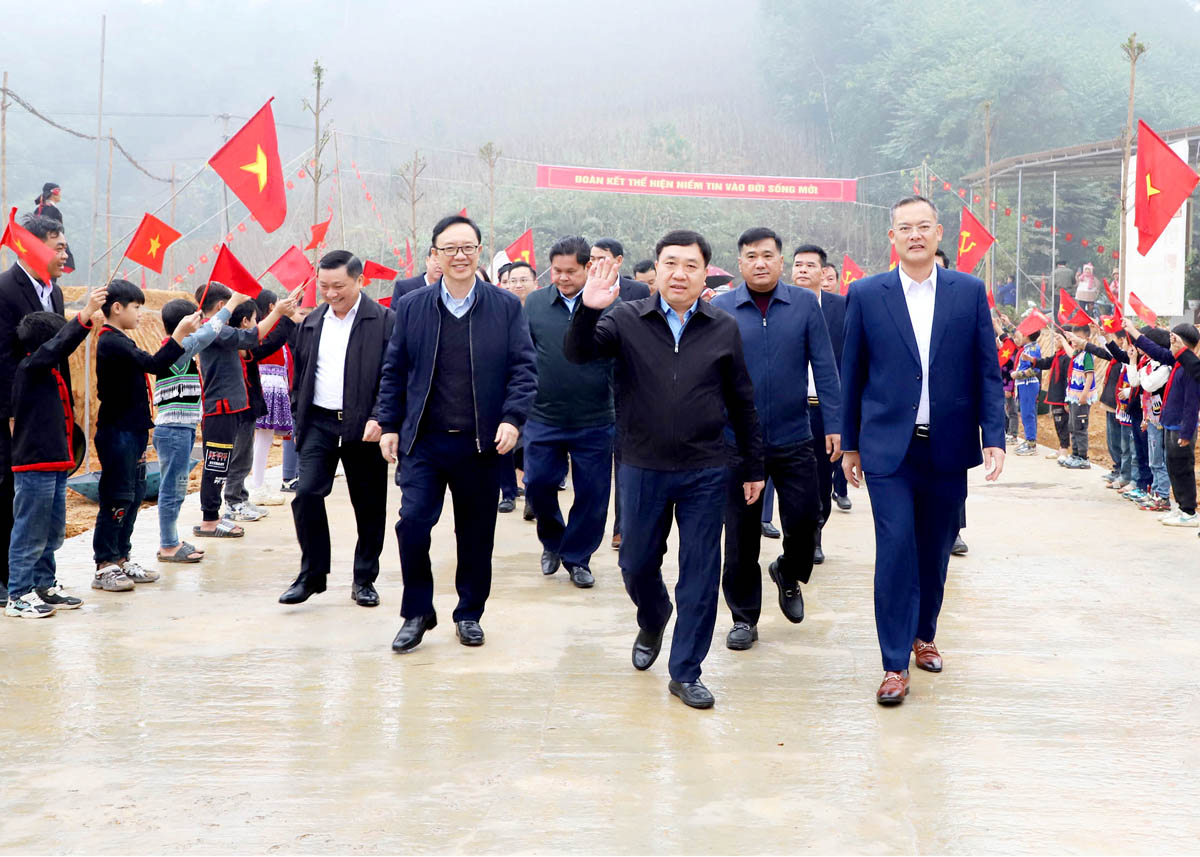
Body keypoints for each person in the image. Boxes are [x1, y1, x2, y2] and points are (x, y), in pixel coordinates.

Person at [566, 230, 764, 710]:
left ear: (704, 273)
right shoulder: (626, 319)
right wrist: (590, 306)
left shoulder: (722, 327)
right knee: (635, 563)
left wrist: (754, 464)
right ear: (656, 270)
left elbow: (741, 399)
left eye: (691, 265)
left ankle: (686, 671)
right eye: (671, 263)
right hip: (641, 465)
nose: (680, 273)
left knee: (699, 571)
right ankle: (653, 616)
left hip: (706, 468)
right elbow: (579, 353)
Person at [840, 196, 1005, 706]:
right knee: (895, 551)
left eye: (923, 227)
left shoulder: (968, 292)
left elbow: (987, 371)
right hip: (890, 449)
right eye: (904, 227)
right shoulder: (866, 294)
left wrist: (994, 436)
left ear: (938, 234)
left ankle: (923, 634)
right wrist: (849, 444)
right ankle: (893, 665)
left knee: (935, 549)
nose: (914, 235)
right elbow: (853, 375)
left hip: (948, 447)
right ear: (892, 237)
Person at [381, 215, 537, 652]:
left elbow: (523, 369)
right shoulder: (412, 306)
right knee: (412, 525)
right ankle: (417, 611)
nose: (460, 255)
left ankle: (469, 612)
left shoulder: (505, 307)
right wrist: (390, 423)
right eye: (450, 248)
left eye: (468, 247)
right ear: (435, 255)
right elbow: (394, 371)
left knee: (475, 534)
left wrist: (512, 418)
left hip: (481, 443)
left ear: (479, 252)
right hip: (424, 441)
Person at [712, 228, 839, 652]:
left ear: (781, 262)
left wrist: (836, 423)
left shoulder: (803, 304)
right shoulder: (723, 307)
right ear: (741, 263)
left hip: (794, 435)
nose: (760, 263)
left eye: (768, 255)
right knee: (742, 533)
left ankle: (788, 571)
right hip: (737, 442)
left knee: (806, 519)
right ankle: (744, 617)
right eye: (751, 256)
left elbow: (824, 365)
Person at [280, 251, 395, 607]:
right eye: (324, 285)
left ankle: (364, 579)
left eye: (339, 286)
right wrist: (301, 416)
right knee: (307, 494)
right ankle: (312, 575)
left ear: (360, 281)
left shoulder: (384, 321)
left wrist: (382, 416)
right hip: (320, 422)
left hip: (365, 426)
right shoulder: (312, 322)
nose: (331, 293)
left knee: (369, 505)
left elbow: (392, 375)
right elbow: (301, 374)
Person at [521, 236, 617, 589]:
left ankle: (578, 557)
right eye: (556, 271)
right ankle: (553, 542)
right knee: (538, 483)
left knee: (593, 494)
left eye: (570, 271)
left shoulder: (607, 304)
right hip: (543, 415)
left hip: (594, 418)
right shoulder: (534, 303)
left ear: (588, 268)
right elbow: (522, 354)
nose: (562, 278)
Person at [5, 287, 106, 617]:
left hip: (55, 464)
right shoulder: (30, 368)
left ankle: (44, 585)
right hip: (35, 464)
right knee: (29, 531)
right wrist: (85, 313)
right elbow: (58, 346)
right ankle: (19, 594)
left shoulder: (48, 373)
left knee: (50, 531)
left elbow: (59, 347)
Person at [93, 279, 199, 591]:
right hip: (118, 432)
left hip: (135, 430)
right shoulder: (111, 341)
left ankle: (122, 558)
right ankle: (104, 564)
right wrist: (178, 336)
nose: (140, 313)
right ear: (117, 308)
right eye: (136, 307)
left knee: (134, 495)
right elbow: (155, 365)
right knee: (116, 496)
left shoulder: (123, 340)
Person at [192, 283, 294, 538]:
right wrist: (278, 312)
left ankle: (213, 518)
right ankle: (209, 520)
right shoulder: (214, 331)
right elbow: (252, 337)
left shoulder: (218, 332)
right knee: (216, 467)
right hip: (221, 409)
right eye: (230, 304)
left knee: (221, 466)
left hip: (230, 408)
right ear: (220, 306)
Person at [0, 213, 69, 589]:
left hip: (48, 410)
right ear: (34, 246)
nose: (65, 255)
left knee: (46, 506)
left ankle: (42, 582)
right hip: (14, 412)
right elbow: (4, 358)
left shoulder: (54, 291)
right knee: (11, 496)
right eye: (58, 247)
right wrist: (12, 411)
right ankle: (11, 584)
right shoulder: (5, 288)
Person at [152, 294, 243, 563]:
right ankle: (168, 544)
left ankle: (172, 540)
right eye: (195, 316)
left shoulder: (177, 348)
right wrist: (232, 305)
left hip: (180, 429)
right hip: (174, 431)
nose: (200, 320)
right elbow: (207, 333)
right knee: (173, 490)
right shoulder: (177, 348)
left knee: (176, 489)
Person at [589, 238, 652, 551]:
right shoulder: (584, 286)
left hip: (627, 384)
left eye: (602, 257)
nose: (595, 263)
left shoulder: (637, 291)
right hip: (594, 383)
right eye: (592, 257)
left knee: (625, 461)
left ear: (618, 260)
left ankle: (622, 527)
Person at [791, 243, 849, 562]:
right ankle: (796, 536)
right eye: (798, 264)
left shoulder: (841, 308)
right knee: (790, 480)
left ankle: (815, 533)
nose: (802, 270)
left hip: (824, 411)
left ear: (823, 272)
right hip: (788, 410)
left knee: (821, 479)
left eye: (809, 265)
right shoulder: (778, 304)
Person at [1126, 319, 1200, 527]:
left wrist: (1186, 433)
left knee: (1183, 469)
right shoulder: (1177, 361)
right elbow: (1155, 350)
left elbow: (1192, 405)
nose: (1169, 343)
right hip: (1169, 423)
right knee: (1173, 468)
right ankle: (1182, 508)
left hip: (1181, 427)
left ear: (1178, 341)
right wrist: (1132, 330)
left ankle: (1189, 511)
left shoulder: (1190, 369)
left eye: (1172, 339)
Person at [498, 260, 539, 513]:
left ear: (535, 283)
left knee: (533, 444)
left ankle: (534, 495)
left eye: (523, 280)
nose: (517, 285)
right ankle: (508, 493)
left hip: (540, 390)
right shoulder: (500, 310)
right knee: (504, 440)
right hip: (506, 387)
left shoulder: (543, 310)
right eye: (512, 280)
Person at [249, 289, 294, 507]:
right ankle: (256, 484)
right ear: (270, 307)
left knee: (263, 438)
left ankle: (257, 482)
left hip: (271, 382)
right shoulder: (269, 326)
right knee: (263, 437)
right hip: (269, 382)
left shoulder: (264, 326)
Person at [1133, 327, 1172, 511]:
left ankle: (1163, 496)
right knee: (1152, 458)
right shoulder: (1150, 366)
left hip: (1160, 420)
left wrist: (1141, 372)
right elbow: (1138, 386)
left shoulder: (1164, 368)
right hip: (1150, 417)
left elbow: (1148, 384)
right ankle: (1155, 492)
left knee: (1159, 459)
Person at [1033, 330, 1072, 463]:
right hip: (1055, 394)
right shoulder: (1058, 355)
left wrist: (1067, 399)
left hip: (1062, 396)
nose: (1055, 341)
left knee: (1063, 423)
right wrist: (1032, 360)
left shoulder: (1067, 357)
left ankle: (1064, 450)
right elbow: (1045, 363)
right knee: (1058, 422)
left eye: (1057, 339)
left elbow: (1069, 379)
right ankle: (1061, 448)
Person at [1061, 325, 1096, 469]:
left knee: (1080, 426)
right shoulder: (1077, 354)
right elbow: (1069, 352)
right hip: (1073, 397)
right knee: (1072, 425)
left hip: (1081, 397)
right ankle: (1074, 454)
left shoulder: (1087, 355)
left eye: (1079, 338)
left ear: (1087, 339)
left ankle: (1082, 456)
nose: (1074, 341)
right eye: (1073, 339)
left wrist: (1084, 394)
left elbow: (1089, 376)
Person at [1011, 324, 1042, 455]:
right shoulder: (1027, 347)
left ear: (1027, 336)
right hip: (1023, 385)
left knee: (1028, 413)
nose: (1020, 337)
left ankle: (1031, 443)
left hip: (1028, 384)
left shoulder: (1034, 349)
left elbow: (1035, 369)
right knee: (1024, 413)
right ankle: (1029, 439)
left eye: (1022, 334)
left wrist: (1018, 374)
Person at [33, 182, 75, 272]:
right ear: (54, 193)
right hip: (51, 247)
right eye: (59, 191)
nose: (60, 195)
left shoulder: (38, 209)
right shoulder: (52, 210)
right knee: (51, 271)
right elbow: (56, 231)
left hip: (38, 246)